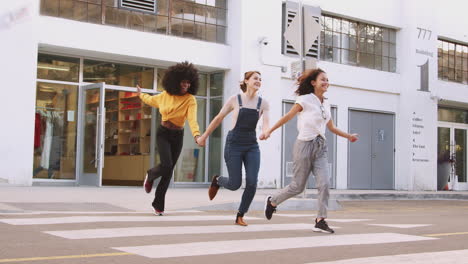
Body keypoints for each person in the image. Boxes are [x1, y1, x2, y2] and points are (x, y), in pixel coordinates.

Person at [260, 68, 358, 233]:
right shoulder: (304, 100)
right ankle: (272, 201)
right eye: (323, 80)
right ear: (313, 82)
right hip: (304, 145)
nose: (326, 82)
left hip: (321, 147)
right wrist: (269, 130)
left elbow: (331, 127)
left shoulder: (325, 103)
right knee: (298, 186)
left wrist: (348, 136)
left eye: (327, 80)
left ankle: (320, 220)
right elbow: (288, 117)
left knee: (325, 184)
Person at [197, 71, 270, 226]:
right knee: (234, 184)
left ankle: (240, 215)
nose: (259, 81)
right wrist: (204, 136)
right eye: (255, 78)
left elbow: (266, 124)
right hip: (234, 144)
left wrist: (265, 132)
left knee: (252, 182)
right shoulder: (235, 100)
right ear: (246, 81)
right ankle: (217, 180)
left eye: (260, 79)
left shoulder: (263, 103)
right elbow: (218, 118)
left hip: (252, 145)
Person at [137, 61, 201, 216]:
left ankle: (158, 205)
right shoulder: (164, 96)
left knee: (169, 171)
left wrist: (197, 135)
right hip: (163, 132)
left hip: (178, 135)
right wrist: (140, 94)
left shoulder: (190, 99)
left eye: (188, 82)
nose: (186, 85)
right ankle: (151, 174)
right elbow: (150, 100)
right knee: (166, 165)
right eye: (183, 81)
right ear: (175, 81)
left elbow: (192, 119)